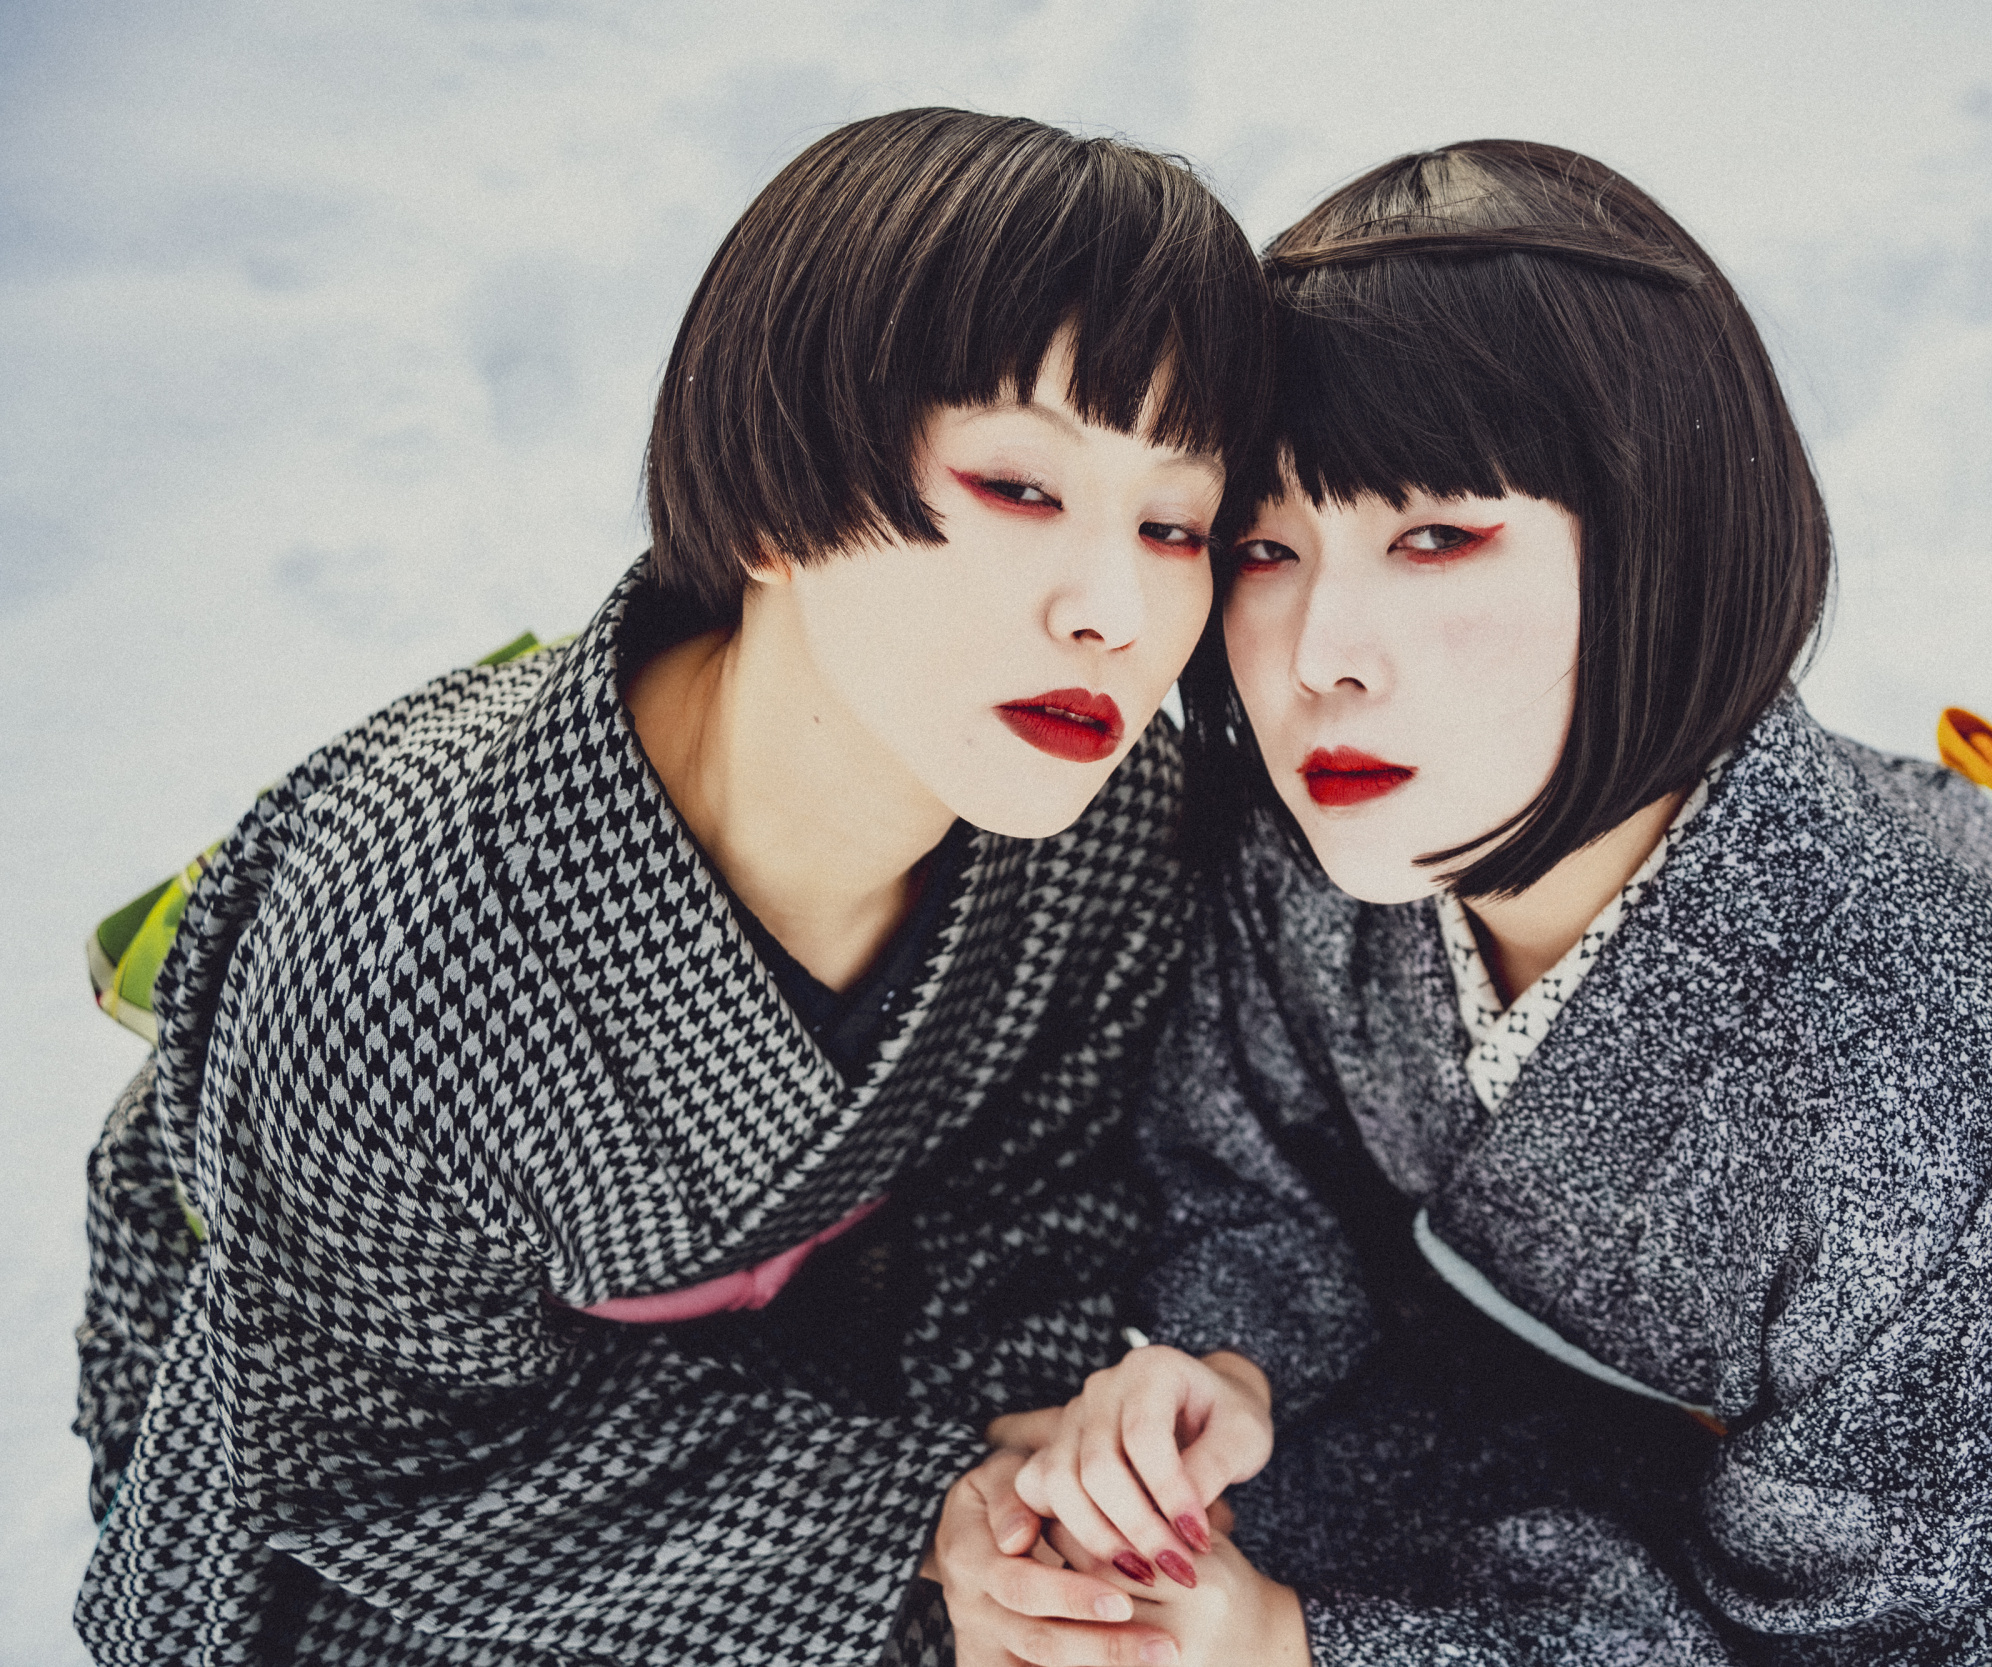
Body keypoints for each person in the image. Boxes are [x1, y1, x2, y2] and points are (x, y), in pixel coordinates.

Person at [1000, 140, 1992, 1665]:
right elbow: (1252, 1170)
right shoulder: (1344, 837)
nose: (1319, 652)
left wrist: (1311, 1648)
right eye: (1268, 547)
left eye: (1437, 537)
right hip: (1490, 1418)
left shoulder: (1947, 1086)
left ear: (1668, 543)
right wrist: (1228, 1364)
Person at [71, 107, 1265, 1666]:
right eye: (1021, 489)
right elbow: (372, 1453)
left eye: (1175, 524)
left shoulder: (1109, 824)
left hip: (832, 1361)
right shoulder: (396, 944)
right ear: (776, 497)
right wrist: (910, 1518)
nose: (1115, 610)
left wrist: (1035, 1498)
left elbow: (1037, 1193)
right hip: (411, 1487)